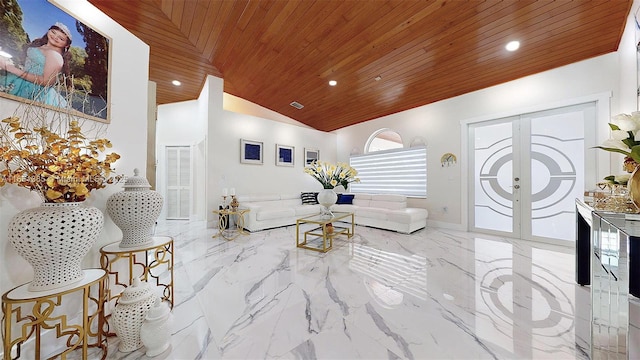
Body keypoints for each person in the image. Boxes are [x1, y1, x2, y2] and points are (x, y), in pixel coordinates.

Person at [0, 22, 72, 107]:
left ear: (66, 45)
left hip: (33, 90)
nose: (55, 37)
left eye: (61, 38)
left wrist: (11, 69)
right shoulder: (43, 46)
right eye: (53, 32)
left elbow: (46, 82)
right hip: (21, 80)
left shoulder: (55, 56)